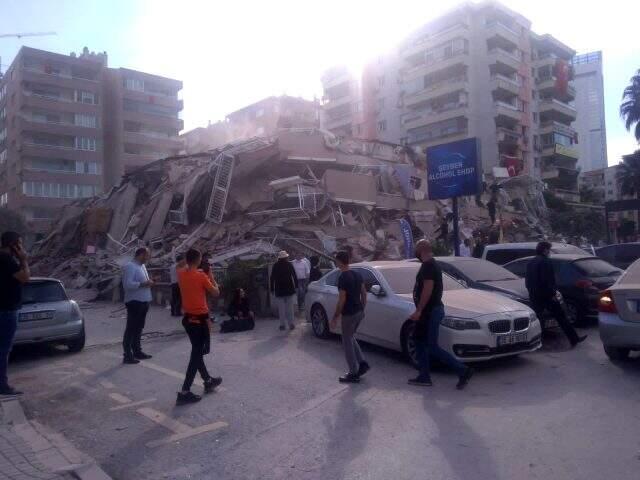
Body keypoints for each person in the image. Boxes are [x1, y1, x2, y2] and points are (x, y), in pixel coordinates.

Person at [409, 239, 473, 389]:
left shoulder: (428, 266)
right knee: (420, 341)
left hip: (429, 311)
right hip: (431, 310)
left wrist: (419, 310)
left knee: (430, 346)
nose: (415, 253)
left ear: (421, 250)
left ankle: (462, 370)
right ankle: (424, 376)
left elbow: (428, 289)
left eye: (416, 250)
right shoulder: (431, 265)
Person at [176, 248, 222, 405]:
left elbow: (181, 264)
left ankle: (208, 380)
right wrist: (211, 275)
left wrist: (192, 260)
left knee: (196, 352)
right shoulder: (202, 276)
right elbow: (216, 292)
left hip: (188, 319)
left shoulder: (181, 273)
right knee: (196, 354)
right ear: (198, 260)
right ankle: (185, 391)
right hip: (200, 321)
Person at [525, 241, 587, 348]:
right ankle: (574, 339)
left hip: (534, 295)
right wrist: (552, 293)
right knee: (561, 317)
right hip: (547, 296)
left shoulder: (531, 262)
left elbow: (528, 281)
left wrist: (532, 291)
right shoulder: (546, 262)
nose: (549, 252)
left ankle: (536, 342)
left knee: (538, 320)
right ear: (545, 250)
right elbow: (548, 280)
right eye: (548, 249)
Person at [330, 251, 370, 384]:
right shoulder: (357, 274)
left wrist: (335, 316)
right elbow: (364, 294)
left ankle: (353, 373)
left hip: (349, 314)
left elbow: (342, 300)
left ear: (340, 262)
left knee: (346, 342)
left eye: (336, 260)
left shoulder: (343, 277)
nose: (336, 263)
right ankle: (362, 363)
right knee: (351, 337)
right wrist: (362, 309)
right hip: (358, 312)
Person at [0, 231, 30, 396]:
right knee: (3, 349)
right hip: (5, 311)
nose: (22, 247)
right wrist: (23, 260)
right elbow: (25, 278)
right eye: (20, 244)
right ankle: (2, 386)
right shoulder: (7, 260)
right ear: (13, 245)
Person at [121, 247, 154, 365]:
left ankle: (137, 351)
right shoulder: (130, 266)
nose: (148, 258)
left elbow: (143, 282)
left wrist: (148, 282)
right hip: (134, 302)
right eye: (147, 255)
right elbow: (127, 285)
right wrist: (144, 283)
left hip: (144, 301)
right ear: (141, 255)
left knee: (139, 328)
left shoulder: (142, 266)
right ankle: (127, 355)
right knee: (131, 328)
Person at [270, 251, 298, 331]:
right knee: (290, 308)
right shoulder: (289, 264)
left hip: (279, 290)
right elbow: (294, 275)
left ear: (279, 258)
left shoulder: (275, 265)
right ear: (286, 257)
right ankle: (291, 323)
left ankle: (282, 325)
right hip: (289, 289)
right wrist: (296, 286)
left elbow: (272, 278)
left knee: (281, 309)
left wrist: (272, 289)